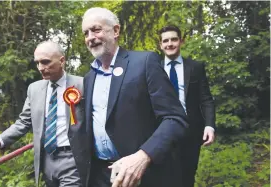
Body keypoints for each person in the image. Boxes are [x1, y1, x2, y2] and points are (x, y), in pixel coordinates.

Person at [79, 7, 189, 187]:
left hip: (143, 175)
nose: (90, 37)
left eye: (96, 29)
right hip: (101, 176)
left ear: (115, 31)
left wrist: (144, 156)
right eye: (86, 33)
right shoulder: (89, 78)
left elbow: (175, 118)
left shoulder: (145, 62)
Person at [0, 41, 86, 187]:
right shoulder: (34, 89)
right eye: (37, 63)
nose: (40, 68)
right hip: (46, 161)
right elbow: (23, 122)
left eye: (45, 62)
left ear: (62, 61)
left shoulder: (83, 84)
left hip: (73, 159)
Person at [159, 25, 216, 187]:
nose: (170, 44)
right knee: (163, 177)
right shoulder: (153, 67)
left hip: (190, 131)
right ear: (160, 45)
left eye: (174, 39)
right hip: (160, 131)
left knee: (187, 176)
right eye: (166, 40)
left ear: (181, 41)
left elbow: (206, 99)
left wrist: (209, 125)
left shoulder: (195, 67)